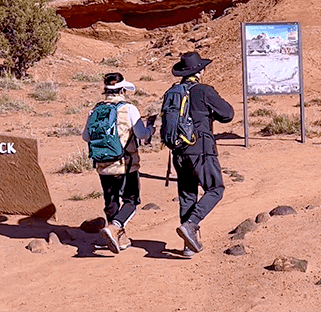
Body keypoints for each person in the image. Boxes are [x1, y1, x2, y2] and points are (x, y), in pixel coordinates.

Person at [168, 52, 233, 256]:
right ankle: (192, 225)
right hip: (202, 151)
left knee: (187, 195)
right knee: (215, 189)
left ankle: (189, 246)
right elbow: (228, 114)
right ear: (200, 71)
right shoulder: (204, 91)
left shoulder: (172, 92)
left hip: (178, 152)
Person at [82, 72, 155, 254]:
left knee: (111, 201)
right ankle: (115, 227)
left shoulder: (95, 110)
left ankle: (119, 238)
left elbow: (86, 136)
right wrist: (151, 129)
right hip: (125, 163)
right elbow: (141, 134)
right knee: (131, 201)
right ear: (122, 90)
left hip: (103, 164)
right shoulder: (129, 109)